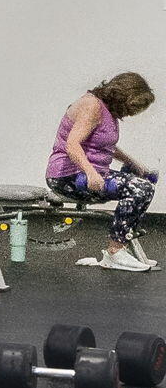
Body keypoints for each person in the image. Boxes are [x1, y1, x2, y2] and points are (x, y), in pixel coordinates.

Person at [46, 72, 158, 272]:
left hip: (87, 172)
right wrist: (90, 172)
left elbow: (104, 145)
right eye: (132, 107)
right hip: (66, 177)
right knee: (140, 189)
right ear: (123, 95)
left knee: (144, 184)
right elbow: (72, 144)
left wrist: (133, 163)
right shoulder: (92, 106)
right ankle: (115, 251)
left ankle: (122, 245)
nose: (131, 113)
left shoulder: (107, 111)